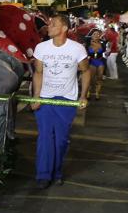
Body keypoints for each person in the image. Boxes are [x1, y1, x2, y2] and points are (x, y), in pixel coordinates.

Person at [31, 13, 91, 189]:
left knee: (61, 140)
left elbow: (86, 71)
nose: (48, 27)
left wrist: (83, 95)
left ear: (64, 28)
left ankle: (56, 172)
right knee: (45, 137)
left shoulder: (77, 49)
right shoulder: (41, 47)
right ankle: (43, 175)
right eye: (49, 24)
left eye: (53, 24)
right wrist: (36, 96)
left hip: (66, 100)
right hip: (45, 98)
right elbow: (38, 73)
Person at [86, 29, 107, 100]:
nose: (96, 35)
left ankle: (97, 93)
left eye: (98, 34)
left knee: (99, 78)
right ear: (91, 35)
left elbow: (104, 51)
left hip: (100, 61)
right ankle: (88, 92)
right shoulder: (88, 42)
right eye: (94, 34)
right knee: (91, 79)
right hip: (92, 61)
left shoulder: (102, 43)